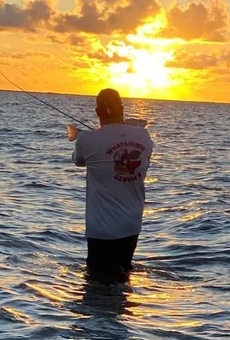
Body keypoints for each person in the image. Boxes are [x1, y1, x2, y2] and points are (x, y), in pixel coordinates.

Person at [73, 88, 153, 276]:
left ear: (97, 112)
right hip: (132, 224)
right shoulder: (144, 136)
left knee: (97, 283)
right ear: (122, 109)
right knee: (123, 273)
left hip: (102, 229)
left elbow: (78, 160)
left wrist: (94, 136)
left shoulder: (86, 139)